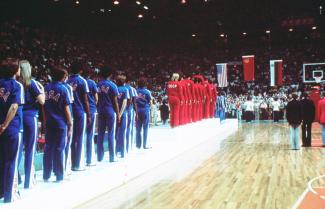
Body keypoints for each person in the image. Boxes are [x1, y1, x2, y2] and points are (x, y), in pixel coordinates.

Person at [0, 58, 24, 203]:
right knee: (11, 161)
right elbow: (14, 107)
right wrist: (4, 125)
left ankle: (2, 192)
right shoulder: (17, 85)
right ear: (15, 70)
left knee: (1, 160)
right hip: (11, 128)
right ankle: (10, 195)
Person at [18, 60, 45, 189]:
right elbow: (42, 101)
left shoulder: (15, 83)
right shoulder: (32, 83)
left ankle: (15, 178)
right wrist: (42, 89)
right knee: (30, 149)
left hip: (18, 117)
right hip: (30, 117)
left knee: (17, 150)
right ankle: (28, 181)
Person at [43, 66, 72, 182]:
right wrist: (70, 123)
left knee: (48, 148)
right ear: (63, 77)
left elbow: (44, 107)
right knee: (60, 148)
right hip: (60, 123)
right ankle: (59, 175)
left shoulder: (46, 87)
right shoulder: (64, 89)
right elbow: (66, 109)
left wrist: (44, 122)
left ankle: (46, 175)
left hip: (49, 122)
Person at [67, 60, 91, 171]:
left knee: (71, 138)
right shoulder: (82, 81)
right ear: (81, 70)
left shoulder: (66, 80)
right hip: (80, 112)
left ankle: (70, 163)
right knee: (80, 138)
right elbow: (85, 100)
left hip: (70, 112)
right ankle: (78, 164)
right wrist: (89, 115)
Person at [97, 66, 120, 162]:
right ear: (110, 75)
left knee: (100, 133)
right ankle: (112, 156)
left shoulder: (97, 84)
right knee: (111, 133)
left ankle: (99, 157)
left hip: (100, 110)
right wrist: (118, 114)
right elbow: (115, 102)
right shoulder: (113, 85)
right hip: (110, 110)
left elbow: (96, 99)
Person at [83, 68, 98, 166]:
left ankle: (77, 160)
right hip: (90, 110)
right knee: (89, 135)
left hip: (78, 110)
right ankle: (89, 160)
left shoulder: (70, 81)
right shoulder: (91, 83)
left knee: (78, 136)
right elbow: (96, 98)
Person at [135, 77, 152, 149]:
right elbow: (150, 102)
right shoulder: (147, 92)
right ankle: (144, 145)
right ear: (145, 84)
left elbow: (134, 101)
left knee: (138, 129)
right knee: (145, 128)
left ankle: (138, 145)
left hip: (137, 111)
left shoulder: (135, 91)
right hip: (145, 110)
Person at [115, 75, 129, 158]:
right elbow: (124, 103)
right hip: (122, 114)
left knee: (116, 133)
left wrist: (117, 114)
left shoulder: (115, 88)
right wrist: (120, 114)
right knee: (122, 133)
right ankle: (123, 153)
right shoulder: (125, 89)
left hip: (115, 113)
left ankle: (116, 151)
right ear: (124, 81)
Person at [125, 79, 137, 152]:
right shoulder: (131, 89)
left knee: (122, 129)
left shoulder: (118, 87)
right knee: (130, 128)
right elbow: (134, 101)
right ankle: (129, 147)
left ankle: (121, 147)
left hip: (122, 110)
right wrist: (137, 113)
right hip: (129, 110)